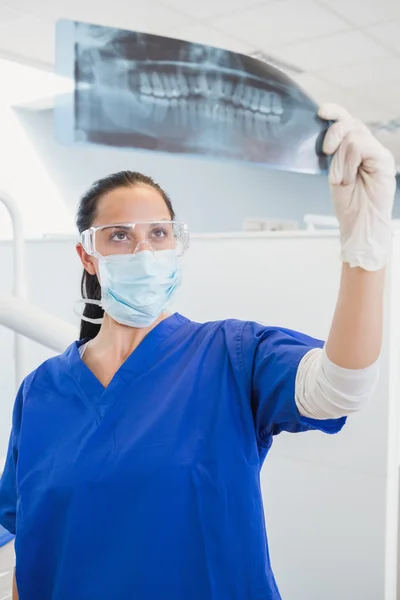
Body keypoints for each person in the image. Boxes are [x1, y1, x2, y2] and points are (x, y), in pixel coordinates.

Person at [0, 104, 396, 600]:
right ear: (88, 255)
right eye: (120, 236)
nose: (144, 252)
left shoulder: (230, 355)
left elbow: (341, 387)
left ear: (175, 245)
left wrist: (366, 248)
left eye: (159, 234)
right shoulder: (40, 391)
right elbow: (30, 540)